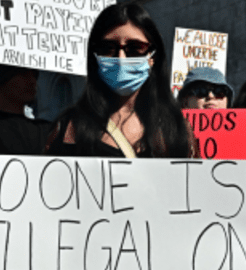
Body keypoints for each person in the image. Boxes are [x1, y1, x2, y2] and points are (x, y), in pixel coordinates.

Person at [47, 3, 195, 158]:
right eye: (108, 48)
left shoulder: (176, 128)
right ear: (94, 56)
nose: (121, 58)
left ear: (153, 57)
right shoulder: (70, 126)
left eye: (135, 48)